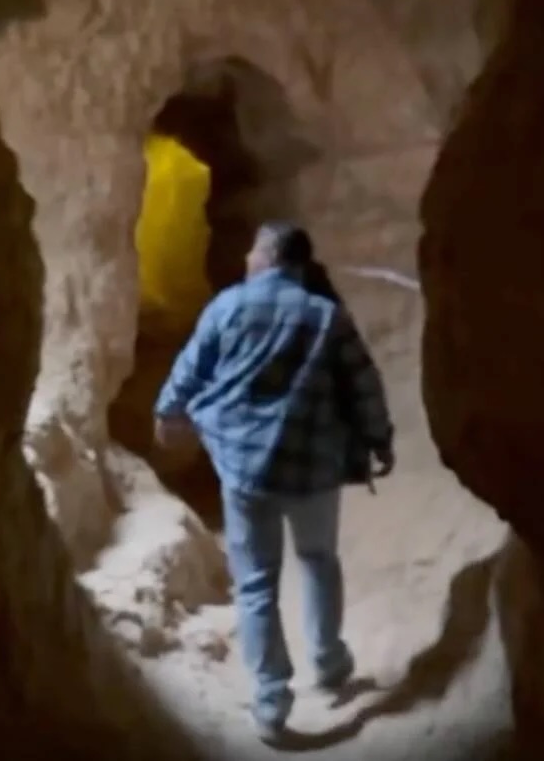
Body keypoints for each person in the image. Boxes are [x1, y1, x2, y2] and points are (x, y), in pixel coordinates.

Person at [153, 221, 395, 744]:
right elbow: (363, 383)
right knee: (318, 561)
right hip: (312, 467)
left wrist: (168, 410)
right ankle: (329, 663)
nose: (244, 257)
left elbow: (191, 366)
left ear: (268, 255)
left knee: (257, 582)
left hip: (246, 471)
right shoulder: (326, 316)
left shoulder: (227, 307)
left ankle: (270, 701)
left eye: (251, 249)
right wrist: (380, 439)